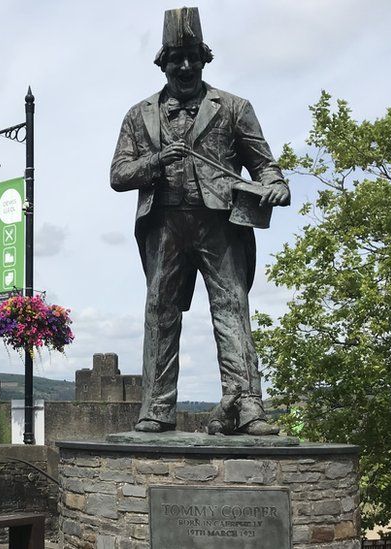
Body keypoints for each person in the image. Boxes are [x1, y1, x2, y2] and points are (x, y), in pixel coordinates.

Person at [110, 7, 290, 436]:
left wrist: (276, 185)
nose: (186, 66)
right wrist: (157, 160)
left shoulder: (233, 107)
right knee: (160, 312)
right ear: (163, 62)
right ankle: (155, 408)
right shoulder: (140, 115)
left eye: (193, 56)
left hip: (220, 223)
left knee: (231, 310)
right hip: (164, 225)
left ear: (204, 59)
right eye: (177, 58)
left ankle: (248, 406)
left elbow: (265, 166)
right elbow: (118, 175)